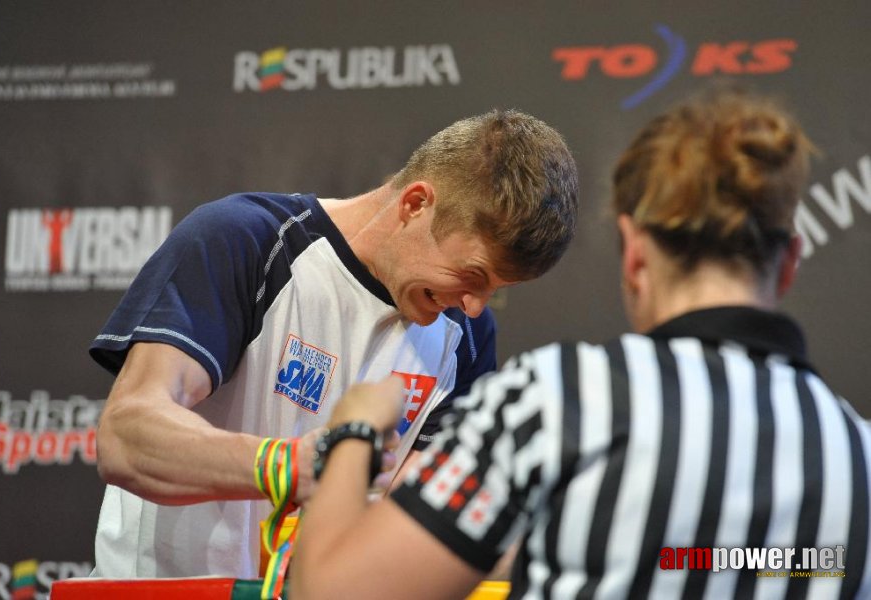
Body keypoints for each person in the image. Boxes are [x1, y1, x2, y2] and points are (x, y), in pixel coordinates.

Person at [291, 89, 871, 599]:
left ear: (634, 252)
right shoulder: (859, 456)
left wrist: (355, 430)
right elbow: (713, 563)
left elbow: (336, 591)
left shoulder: (554, 401)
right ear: (790, 263)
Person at [87, 108, 580, 578]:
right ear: (415, 204)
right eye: (472, 275)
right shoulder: (249, 241)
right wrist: (287, 466)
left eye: (494, 290)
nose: (475, 306)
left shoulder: (466, 338)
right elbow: (127, 435)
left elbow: (415, 525)